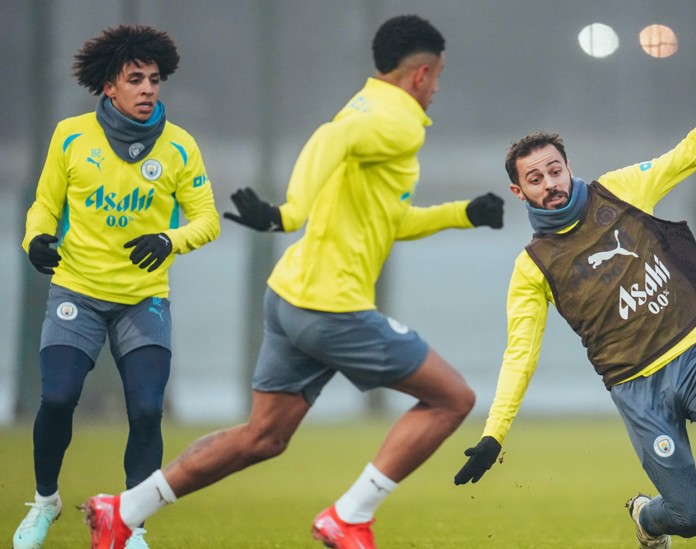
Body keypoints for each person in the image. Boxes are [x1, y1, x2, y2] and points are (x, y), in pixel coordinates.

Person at [82, 14, 503, 549]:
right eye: (438, 76)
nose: (437, 88)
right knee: (453, 399)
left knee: (261, 437)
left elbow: (389, 219)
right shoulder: (394, 119)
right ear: (420, 74)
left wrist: (463, 213)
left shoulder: (367, 104)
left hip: (291, 299)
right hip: (331, 308)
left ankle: (123, 510)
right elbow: (332, 140)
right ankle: (350, 516)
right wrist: (288, 213)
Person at [454, 78, 696, 548]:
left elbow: (688, 154)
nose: (550, 184)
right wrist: (494, 435)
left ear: (568, 166)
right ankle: (647, 518)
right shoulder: (532, 266)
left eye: (554, 170)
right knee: (694, 515)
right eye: (535, 179)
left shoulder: (619, 191)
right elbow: (520, 355)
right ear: (519, 192)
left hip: (693, 357)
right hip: (637, 389)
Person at [14, 25, 220, 549]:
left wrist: (169, 239)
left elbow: (207, 220)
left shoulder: (179, 147)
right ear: (110, 86)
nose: (149, 88)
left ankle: (129, 524)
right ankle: (44, 503)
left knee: (147, 409)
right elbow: (44, 205)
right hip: (76, 291)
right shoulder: (71, 135)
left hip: (143, 298)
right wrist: (36, 237)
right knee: (58, 400)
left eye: (154, 79)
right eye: (136, 79)